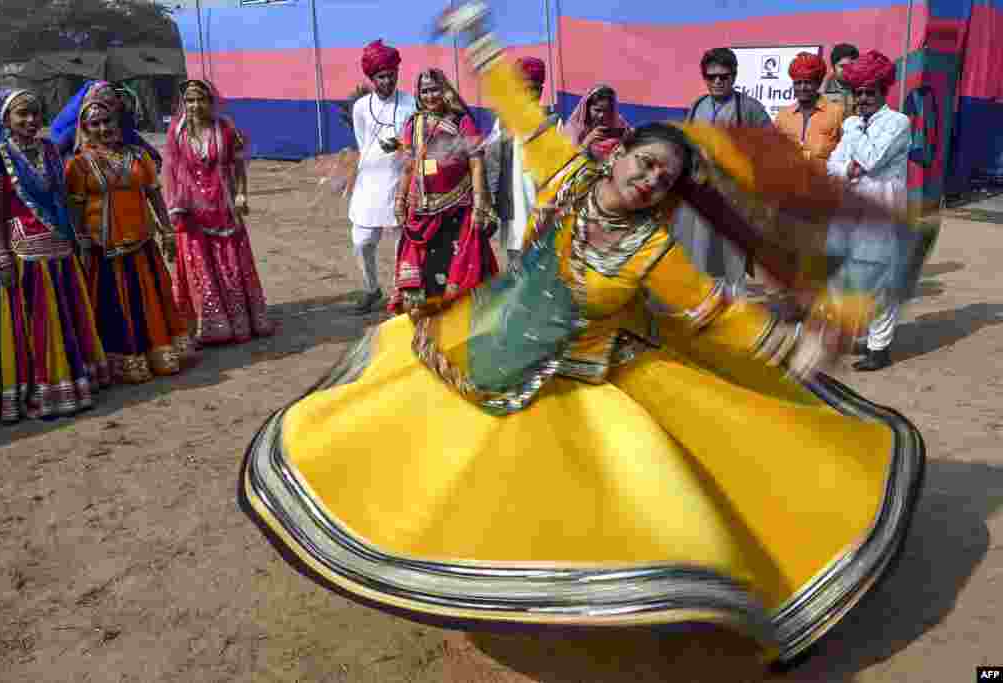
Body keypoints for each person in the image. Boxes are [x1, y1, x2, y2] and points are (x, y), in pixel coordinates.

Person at [241, 5, 926, 669]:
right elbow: (518, 108)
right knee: (427, 468)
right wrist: (477, 36)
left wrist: (790, 344)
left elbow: (717, 311)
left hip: (587, 379)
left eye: (664, 179)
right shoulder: (565, 174)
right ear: (621, 152)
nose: (651, 178)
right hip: (490, 344)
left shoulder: (654, 251)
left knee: (601, 511)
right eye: (646, 163)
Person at [0, 89, 110, 422]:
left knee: (66, 314)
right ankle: (39, 390)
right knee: (34, 321)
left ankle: (74, 382)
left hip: (60, 245)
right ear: (6, 119)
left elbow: (63, 198)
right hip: (25, 254)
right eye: (22, 113)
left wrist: (77, 235)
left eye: (35, 113)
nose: (30, 120)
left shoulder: (50, 149)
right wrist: (1, 256)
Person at [65, 85, 197, 383]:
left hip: (142, 245)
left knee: (150, 301)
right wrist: (82, 244)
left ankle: (159, 352)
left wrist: (167, 232)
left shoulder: (139, 157)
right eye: (94, 124)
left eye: (107, 121)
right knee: (114, 308)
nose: (102, 128)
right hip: (105, 252)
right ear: (85, 129)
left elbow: (155, 197)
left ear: (117, 122)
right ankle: (123, 362)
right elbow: (75, 212)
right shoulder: (78, 165)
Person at [165, 79, 275, 345]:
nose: (194, 106)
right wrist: (176, 208)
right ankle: (210, 326)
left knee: (230, 265)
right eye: (190, 100)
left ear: (210, 102)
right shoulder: (177, 133)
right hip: (192, 210)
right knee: (200, 266)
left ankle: (241, 320)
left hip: (224, 207)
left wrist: (241, 194)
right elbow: (171, 171)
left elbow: (238, 166)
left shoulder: (225, 130)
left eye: (200, 100)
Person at [827, 51, 912, 371]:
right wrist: (847, 168)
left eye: (869, 92)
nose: (862, 98)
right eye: (858, 92)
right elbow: (832, 165)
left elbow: (873, 159)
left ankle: (879, 348)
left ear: (882, 91)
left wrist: (851, 133)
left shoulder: (897, 122)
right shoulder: (852, 122)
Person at [389, 67, 497, 313]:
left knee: (457, 287)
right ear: (418, 94)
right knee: (416, 292)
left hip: (457, 211)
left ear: (445, 90)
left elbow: (477, 163)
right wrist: (400, 200)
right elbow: (408, 167)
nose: (430, 96)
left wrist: (480, 203)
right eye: (425, 91)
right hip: (421, 213)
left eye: (435, 89)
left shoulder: (461, 121)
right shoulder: (413, 124)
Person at [674, 47, 771, 297]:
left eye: (723, 76)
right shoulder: (697, 105)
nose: (717, 81)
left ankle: (735, 311)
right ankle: (705, 308)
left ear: (734, 77)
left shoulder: (750, 108)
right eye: (711, 77)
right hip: (701, 192)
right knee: (700, 252)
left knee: (733, 257)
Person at [347, 39, 417, 314]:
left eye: (391, 75)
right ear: (372, 78)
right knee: (361, 240)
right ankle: (371, 288)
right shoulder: (361, 107)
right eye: (381, 76)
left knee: (402, 241)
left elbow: (417, 144)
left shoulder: (411, 104)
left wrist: (400, 146)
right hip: (369, 183)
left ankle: (401, 292)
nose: (387, 80)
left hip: (401, 181)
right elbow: (363, 143)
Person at [483, 56, 561, 271]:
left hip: (542, 205)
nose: (528, 94)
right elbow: (490, 155)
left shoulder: (553, 121)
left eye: (534, 89)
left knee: (544, 263)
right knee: (516, 262)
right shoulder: (504, 120)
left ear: (542, 90)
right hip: (513, 205)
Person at [50, 81, 163, 171]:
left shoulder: (124, 132)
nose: (103, 128)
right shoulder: (74, 134)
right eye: (95, 123)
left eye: (112, 104)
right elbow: (51, 159)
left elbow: (155, 160)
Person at [774, 52, 846, 164]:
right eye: (798, 83)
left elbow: (847, 155)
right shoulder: (783, 116)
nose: (802, 88)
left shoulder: (837, 113)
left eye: (808, 82)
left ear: (818, 84)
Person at [563, 85, 629, 162]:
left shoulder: (617, 121)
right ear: (586, 108)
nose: (602, 115)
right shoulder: (573, 128)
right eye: (597, 110)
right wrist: (588, 140)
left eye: (606, 110)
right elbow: (569, 162)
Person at [821, 43, 860, 115]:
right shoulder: (822, 89)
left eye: (851, 66)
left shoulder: (864, 88)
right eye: (842, 66)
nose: (847, 70)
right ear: (833, 67)